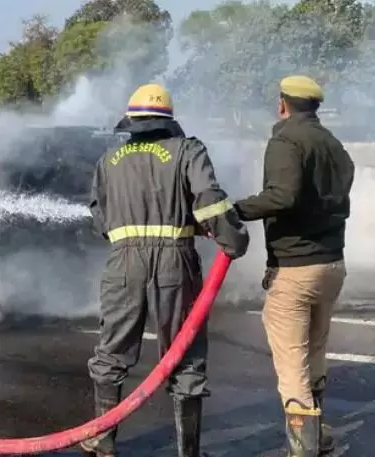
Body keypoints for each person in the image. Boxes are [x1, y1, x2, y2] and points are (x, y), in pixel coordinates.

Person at [81, 83, 250, 457]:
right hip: (175, 261)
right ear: (168, 120)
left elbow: (99, 217)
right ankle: (187, 452)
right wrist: (233, 240)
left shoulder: (108, 161)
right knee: (184, 353)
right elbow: (208, 201)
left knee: (112, 352)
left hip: (122, 262)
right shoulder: (188, 150)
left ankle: (101, 440)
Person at [234, 75, 355, 457]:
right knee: (315, 352)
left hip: (296, 268)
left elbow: (282, 196)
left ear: (282, 104)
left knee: (292, 367)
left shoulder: (286, 140)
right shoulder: (333, 144)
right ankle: (318, 439)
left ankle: (303, 449)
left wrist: (232, 210)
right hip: (331, 265)